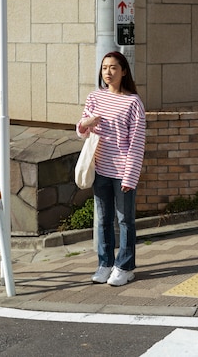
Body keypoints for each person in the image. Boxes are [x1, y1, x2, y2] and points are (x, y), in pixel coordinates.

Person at [76, 51, 146, 287]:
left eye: (114, 67)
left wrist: (130, 175)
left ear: (124, 71)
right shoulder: (95, 97)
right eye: (105, 68)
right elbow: (82, 131)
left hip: (123, 169)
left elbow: (137, 141)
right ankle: (105, 264)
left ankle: (124, 267)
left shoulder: (133, 102)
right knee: (103, 220)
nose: (108, 72)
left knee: (125, 220)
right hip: (100, 169)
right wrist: (85, 124)